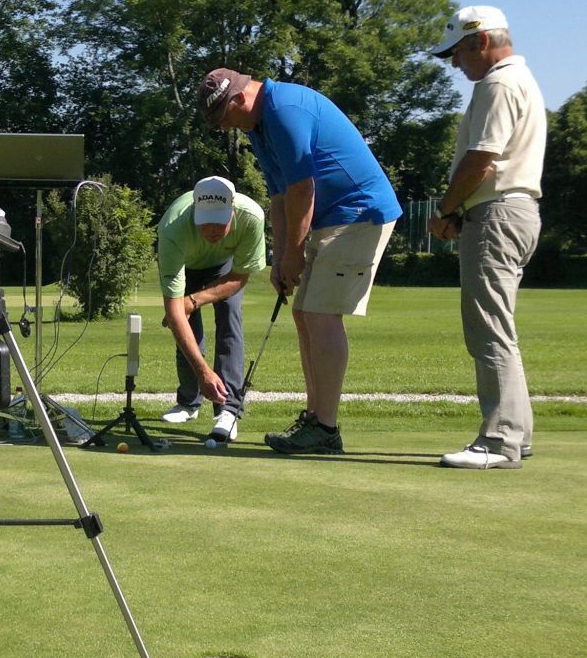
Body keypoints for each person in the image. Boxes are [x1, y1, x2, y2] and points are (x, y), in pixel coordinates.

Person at [197, 68, 404, 454]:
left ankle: (324, 428)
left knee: (321, 313)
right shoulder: (260, 127)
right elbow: (279, 197)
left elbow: (302, 189)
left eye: (224, 118)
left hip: (359, 212)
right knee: (304, 312)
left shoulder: (285, 110)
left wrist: (295, 253)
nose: (226, 127)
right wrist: (280, 259)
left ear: (239, 99)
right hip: (332, 217)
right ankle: (316, 419)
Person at [427, 6, 546, 469]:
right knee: (499, 328)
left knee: (488, 330)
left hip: (496, 215)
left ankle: (499, 441)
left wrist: (445, 210)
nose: (455, 64)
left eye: (456, 53)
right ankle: (517, 434)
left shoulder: (497, 82)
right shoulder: (522, 79)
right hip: (514, 212)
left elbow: (482, 161)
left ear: (480, 42)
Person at [155, 175, 267, 442]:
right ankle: (188, 403)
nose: (213, 229)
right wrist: (204, 372)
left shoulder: (252, 216)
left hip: (226, 268)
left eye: (220, 221)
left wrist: (192, 301)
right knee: (186, 330)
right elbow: (174, 314)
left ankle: (228, 409)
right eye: (206, 222)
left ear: (233, 209)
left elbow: (239, 278)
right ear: (195, 211)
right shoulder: (173, 227)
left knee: (230, 317)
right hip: (186, 265)